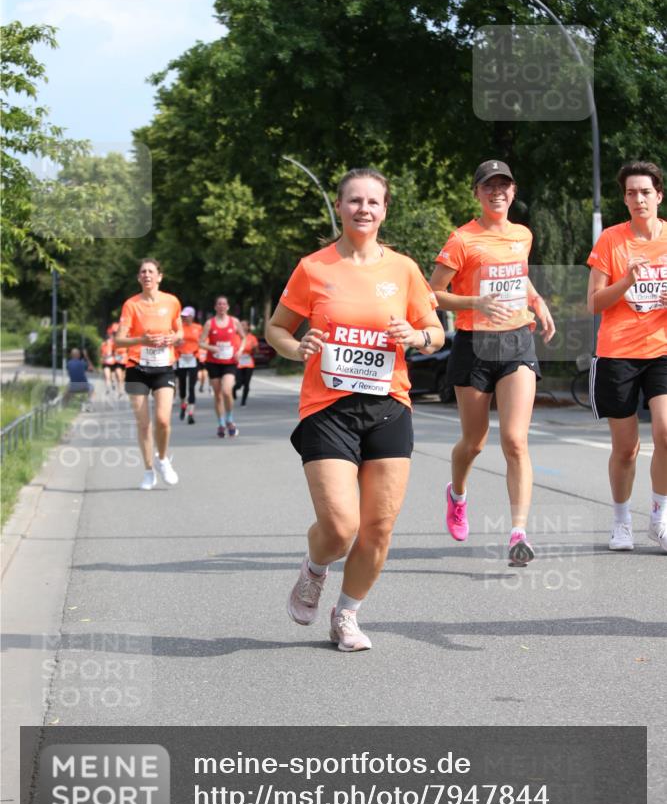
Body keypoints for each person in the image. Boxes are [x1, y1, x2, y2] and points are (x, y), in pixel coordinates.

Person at [266, 168, 443, 652]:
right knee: (341, 526)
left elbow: (436, 332)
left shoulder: (404, 269)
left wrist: (417, 337)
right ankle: (315, 567)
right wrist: (296, 346)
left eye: (373, 202)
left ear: (385, 210)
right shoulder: (314, 268)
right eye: (354, 201)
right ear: (340, 207)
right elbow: (277, 329)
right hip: (328, 408)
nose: (364, 209)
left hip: (389, 406)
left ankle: (346, 615)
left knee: (379, 527)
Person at [429, 159, 556, 567]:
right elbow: (433, 294)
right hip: (475, 346)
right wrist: (475, 302)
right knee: (475, 441)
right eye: (489, 186)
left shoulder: (522, 235)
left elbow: (519, 276)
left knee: (516, 441)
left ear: (513, 193)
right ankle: (458, 494)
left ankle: (519, 532)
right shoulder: (462, 240)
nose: (497, 192)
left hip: (517, 340)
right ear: (477, 193)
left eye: (504, 186)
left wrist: (537, 301)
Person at [587, 160, 667, 552]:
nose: (639, 199)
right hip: (618, 353)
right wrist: (627, 282)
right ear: (625, 198)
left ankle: (660, 518)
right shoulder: (611, 241)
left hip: (663, 350)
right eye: (632, 193)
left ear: (659, 196)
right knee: (626, 447)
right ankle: (621, 521)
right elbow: (594, 302)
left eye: (645, 192)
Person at [114, 258, 182, 490]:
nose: (147, 275)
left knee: (163, 419)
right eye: (143, 272)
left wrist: (174, 338)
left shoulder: (171, 302)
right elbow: (118, 341)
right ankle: (148, 470)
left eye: (151, 271)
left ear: (159, 276)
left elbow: (179, 333)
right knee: (143, 424)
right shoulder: (131, 305)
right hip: (136, 367)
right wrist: (141, 340)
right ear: (138, 278)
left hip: (163, 366)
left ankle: (162, 460)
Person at [200, 296, 243, 438]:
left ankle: (230, 419)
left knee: (226, 391)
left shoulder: (234, 322)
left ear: (228, 307)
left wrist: (240, 351)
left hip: (230, 362)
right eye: (219, 304)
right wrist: (211, 347)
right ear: (215, 307)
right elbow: (201, 343)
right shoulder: (209, 323)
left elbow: (244, 338)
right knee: (218, 395)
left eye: (224, 304)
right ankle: (221, 423)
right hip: (213, 362)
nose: (221, 306)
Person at [175, 306, 203, 424]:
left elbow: (203, 342)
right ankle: (183, 405)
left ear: (192, 316)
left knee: (191, 386)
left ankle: (191, 412)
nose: (184, 318)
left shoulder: (198, 328)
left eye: (187, 316)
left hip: (193, 358)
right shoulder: (179, 328)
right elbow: (173, 342)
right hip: (181, 358)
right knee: (182, 385)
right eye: (183, 316)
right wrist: (177, 342)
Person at [233, 320, 259, 406]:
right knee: (239, 383)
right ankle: (234, 389)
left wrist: (255, 348)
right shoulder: (235, 337)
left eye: (244, 325)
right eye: (241, 325)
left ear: (248, 327)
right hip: (238, 362)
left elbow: (257, 351)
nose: (242, 327)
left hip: (248, 362)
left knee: (247, 383)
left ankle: (243, 401)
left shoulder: (252, 338)